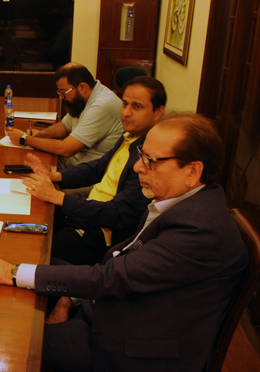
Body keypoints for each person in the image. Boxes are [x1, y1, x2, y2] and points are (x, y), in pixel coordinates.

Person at [0, 113, 249, 371]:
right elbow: (120, 260)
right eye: (140, 155)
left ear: (193, 172)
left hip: (130, 347)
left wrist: (9, 272)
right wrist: (70, 297)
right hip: (112, 307)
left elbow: (115, 276)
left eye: (151, 161)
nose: (138, 168)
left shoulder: (200, 229)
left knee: (1, 341)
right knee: (33, 271)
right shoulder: (182, 200)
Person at [21, 76, 166, 265]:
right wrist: (55, 176)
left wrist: (58, 197)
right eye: (124, 104)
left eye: (137, 107)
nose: (126, 113)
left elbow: (117, 214)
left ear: (158, 112)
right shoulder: (130, 135)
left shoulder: (149, 157)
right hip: (89, 211)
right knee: (28, 215)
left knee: (30, 247)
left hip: (102, 235)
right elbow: (99, 167)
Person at [9, 62, 123, 169]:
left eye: (63, 92)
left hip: (90, 174)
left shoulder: (100, 106)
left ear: (82, 87)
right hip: (73, 164)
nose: (61, 97)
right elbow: (64, 126)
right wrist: (41, 134)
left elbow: (65, 149)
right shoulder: (85, 98)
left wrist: (25, 139)